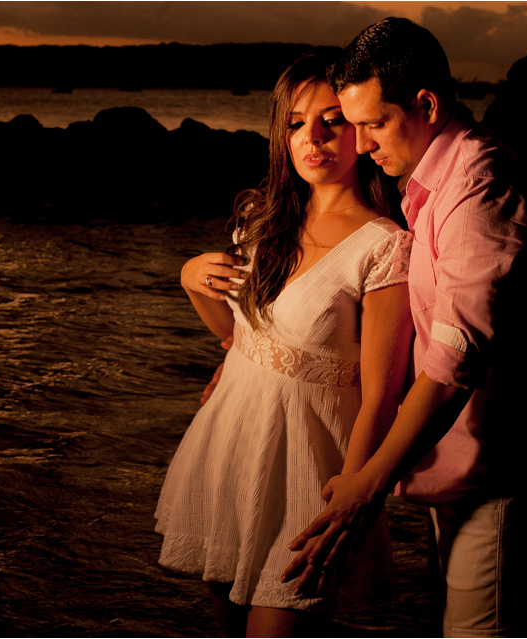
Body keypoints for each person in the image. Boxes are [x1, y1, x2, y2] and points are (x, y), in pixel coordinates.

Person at [281, 18, 527, 638]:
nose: (360, 143)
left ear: (425, 105)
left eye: (374, 123)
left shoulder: (480, 189)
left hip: (500, 472)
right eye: (354, 124)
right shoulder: (434, 181)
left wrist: (367, 484)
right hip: (462, 463)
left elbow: (453, 360)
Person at [154, 53, 414, 637]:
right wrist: (190, 278)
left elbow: (382, 394)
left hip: (309, 472)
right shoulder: (263, 218)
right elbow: (235, 336)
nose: (312, 138)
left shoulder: (384, 246)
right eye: (296, 123)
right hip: (229, 446)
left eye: (332, 121)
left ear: (360, 130)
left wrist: (354, 492)